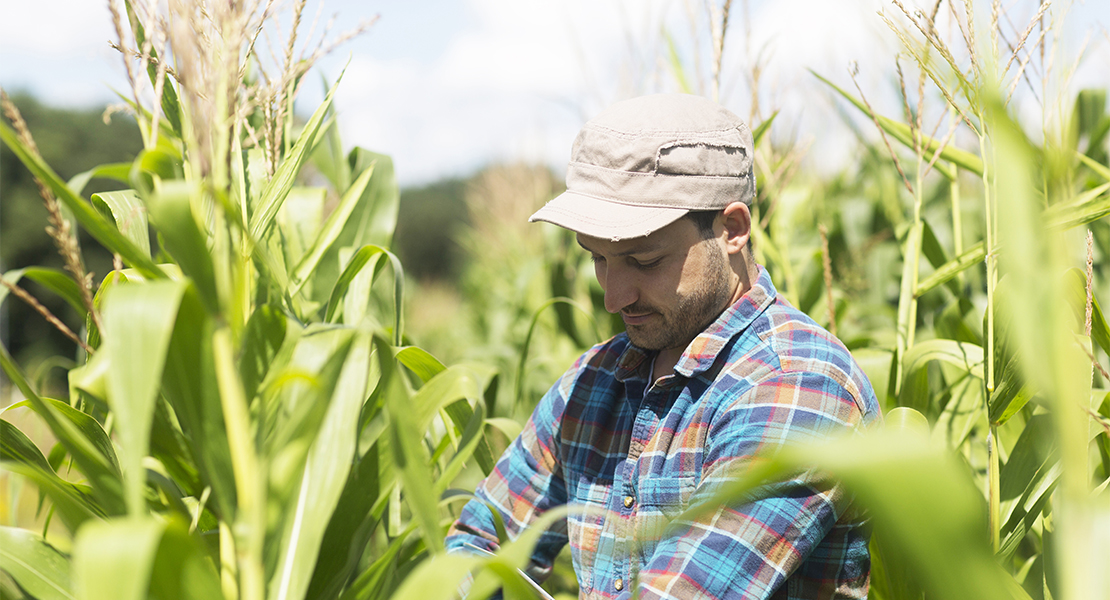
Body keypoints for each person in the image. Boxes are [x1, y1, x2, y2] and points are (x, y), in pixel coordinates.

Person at [446, 94, 880, 600]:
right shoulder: (593, 382)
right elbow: (477, 547)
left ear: (732, 229)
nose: (613, 297)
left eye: (645, 261)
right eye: (598, 259)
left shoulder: (798, 386)